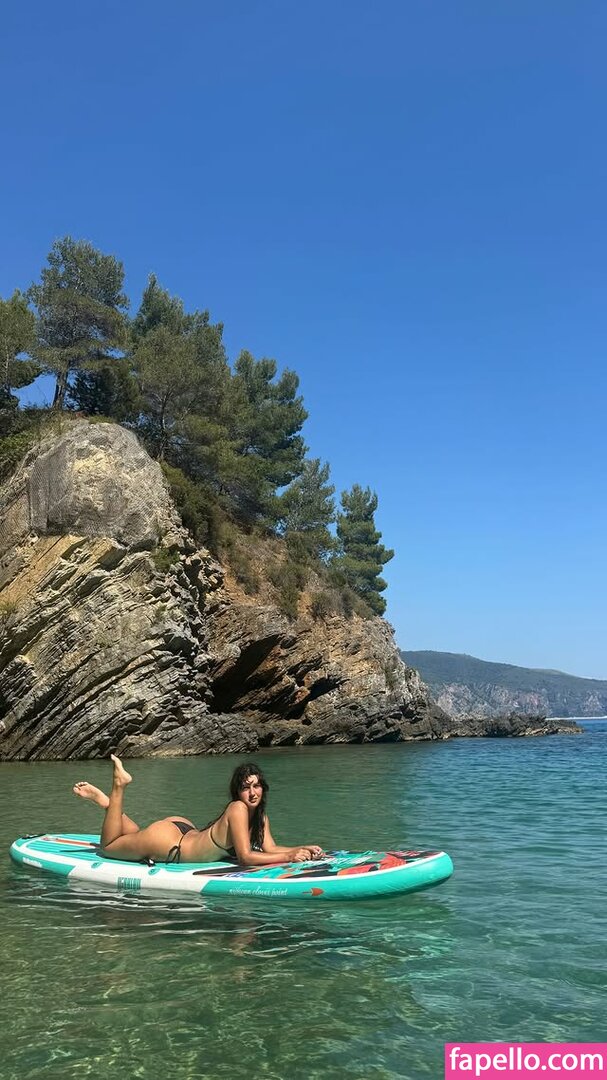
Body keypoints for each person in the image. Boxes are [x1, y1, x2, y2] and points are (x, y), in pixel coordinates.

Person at [73, 754, 324, 866]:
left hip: (183, 830)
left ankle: (107, 804)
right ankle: (118, 786)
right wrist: (289, 858)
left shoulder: (259, 817)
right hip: (170, 844)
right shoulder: (238, 808)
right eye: (246, 787)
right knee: (109, 847)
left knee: (132, 835)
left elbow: (270, 849)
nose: (252, 793)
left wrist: (301, 849)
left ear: (263, 788)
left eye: (256, 786)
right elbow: (246, 857)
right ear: (237, 792)